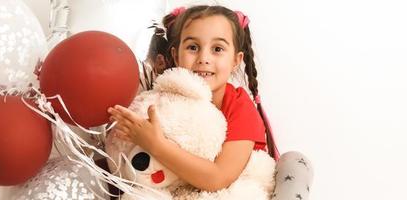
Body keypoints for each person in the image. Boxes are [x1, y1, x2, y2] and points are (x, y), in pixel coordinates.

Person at [107, 5, 279, 192]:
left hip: (233, 191)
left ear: (236, 61)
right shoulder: (164, 100)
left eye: (217, 49)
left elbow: (218, 178)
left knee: (296, 164)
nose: (204, 58)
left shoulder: (239, 107)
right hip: (179, 191)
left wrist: (155, 144)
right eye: (193, 47)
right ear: (176, 55)